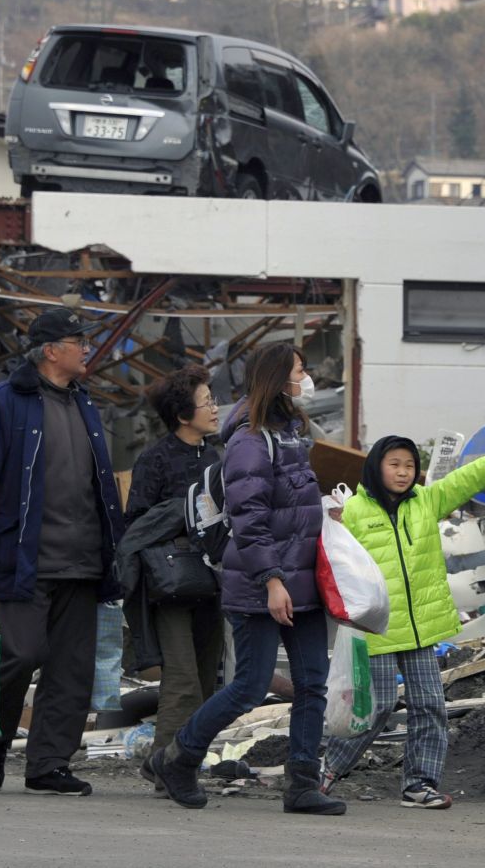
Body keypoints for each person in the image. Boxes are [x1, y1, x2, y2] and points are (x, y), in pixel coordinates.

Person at [151, 342, 346, 815]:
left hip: (303, 582)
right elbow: (249, 516)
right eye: (301, 370)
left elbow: (291, 507)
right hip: (262, 583)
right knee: (250, 685)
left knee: (312, 683)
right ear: (279, 378)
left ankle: (302, 784)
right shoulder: (249, 440)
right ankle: (178, 757)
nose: (307, 377)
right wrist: (273, 579)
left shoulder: (292, 433)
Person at [0, 306, 124, 797]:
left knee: (72, 668)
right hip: (25, 558)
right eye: (79, 341)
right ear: (52, 351)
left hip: (84, 559)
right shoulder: (6, 403)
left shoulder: (84, 403)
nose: (87, 348)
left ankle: (48, 763)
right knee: (19, 653)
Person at [321, 435, 485, 807]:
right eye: (395, 465)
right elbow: (332, 556)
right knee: (378, 706)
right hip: (377, 628)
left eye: (409, 466)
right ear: (376, 466)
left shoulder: (427, 501)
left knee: (430, 705)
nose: (403, 473)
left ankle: (419, 784)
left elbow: (469, 478)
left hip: (423, 625)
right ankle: (327, 769)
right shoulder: (352, 511)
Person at [122, 365, 224, 790]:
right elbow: (137, 527)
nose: (215, 408)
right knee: (181, 679)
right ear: (183, 415)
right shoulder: (155, 459)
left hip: (212, 581)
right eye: (207, 402)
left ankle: (177, 763)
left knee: (205, 679)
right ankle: (167, 765)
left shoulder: (217, 457)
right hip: (170, 586)